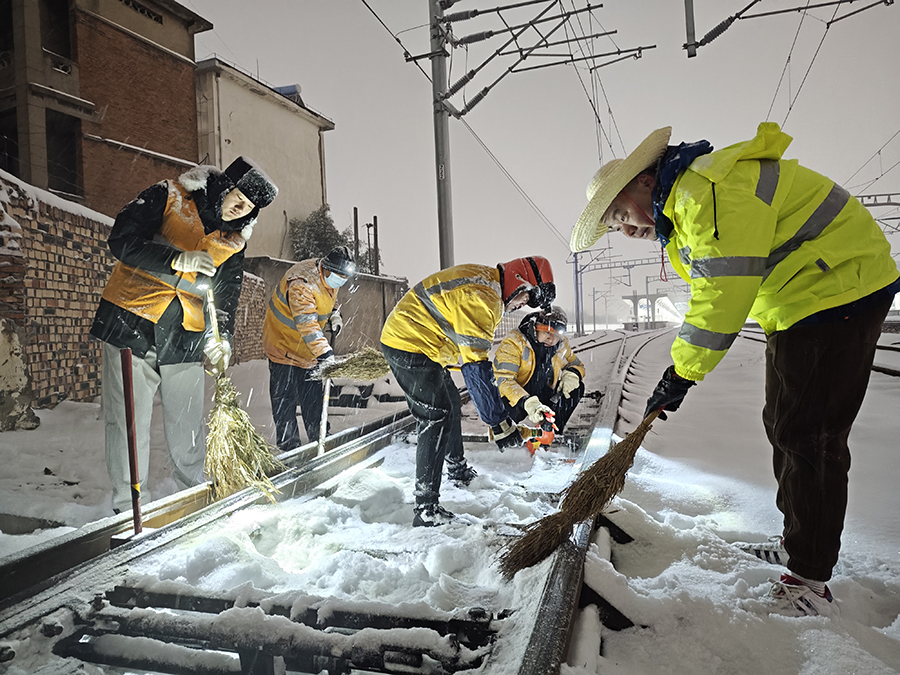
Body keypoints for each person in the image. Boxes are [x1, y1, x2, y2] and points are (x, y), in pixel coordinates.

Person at [571, 121, 900, 617]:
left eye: (620, 215)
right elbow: (717, 288)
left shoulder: (703, 193)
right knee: (784, 424)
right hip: (805, 298)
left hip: (836, 290)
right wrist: (682, 369)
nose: (626, 229)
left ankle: (809, 581)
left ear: (643, 180)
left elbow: (721, 292)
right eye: (616, 225)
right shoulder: (687, 201)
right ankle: (797, 545)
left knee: (808, 434)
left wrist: (682, 371)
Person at [91, 156, 278, 514]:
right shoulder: (169, 196)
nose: (242, 208)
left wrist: (222, 337)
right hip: (133, 323)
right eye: (239, 197)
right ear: (225, 185)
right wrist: (176, 260)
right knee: (128, 421)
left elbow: (226, 295)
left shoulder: (234, 240)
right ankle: (129, 506)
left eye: (251, 207)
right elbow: (122, 240)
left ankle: (194, 496)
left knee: (187, 424)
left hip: (184, 336)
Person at [380, 256, 556, 527]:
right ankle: (426, 509)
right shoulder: (483, 298)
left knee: (450, 403)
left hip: (423, 346)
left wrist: (498, 419)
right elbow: (475, 368)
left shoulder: (489, 287)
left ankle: (457, 469)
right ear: (519, 283)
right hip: (409, 344)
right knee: (435, 415)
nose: (522, 306)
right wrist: (498, 422)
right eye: (525, 300)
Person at [263, 245, 356, 452]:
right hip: (283, 347)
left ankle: (320, 436)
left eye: (344, 277)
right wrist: (325, 352)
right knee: (284, 400)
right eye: (339, 276)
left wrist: (334, 314)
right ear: (327, 268)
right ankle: (289, 448)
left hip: (308, 351)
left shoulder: (331, 274)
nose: (341, 281)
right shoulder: (300, 284)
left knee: (313, 398)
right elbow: (307, 323)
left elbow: (330, 299)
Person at [493, 306, 586, 445]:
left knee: (576, 388)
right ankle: (508, 432)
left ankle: (551, 432)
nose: (551, 338)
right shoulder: (514, 342)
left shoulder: (561, 345)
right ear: (536, 326)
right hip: (517, 397)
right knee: (503, 410)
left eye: (556, 335)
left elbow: (578, 365)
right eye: (547, 332)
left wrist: (573, 374)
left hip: (545, 393)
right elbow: (504, 380)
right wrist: (528, 402)